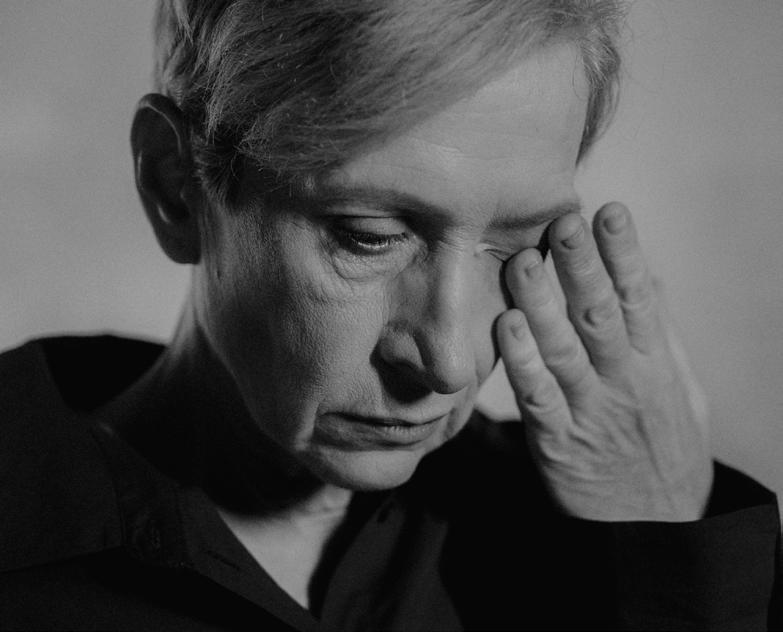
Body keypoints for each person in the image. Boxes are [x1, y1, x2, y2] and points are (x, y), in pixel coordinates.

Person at [0, 0, 780, 629]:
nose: (448, 362)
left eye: (520, 248)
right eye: (368, 236)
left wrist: (667, 539)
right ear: (177, 185)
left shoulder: (593, 538)